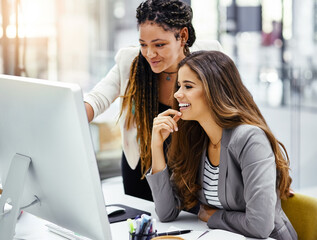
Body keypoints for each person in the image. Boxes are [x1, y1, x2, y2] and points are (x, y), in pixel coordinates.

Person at [147, 51, 297, 239]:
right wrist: (156, 146)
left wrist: (215, 217)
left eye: (188, 86)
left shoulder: (250, 139)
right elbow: (166, 213)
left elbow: (260, 226)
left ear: (214, 90)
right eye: (179, 86)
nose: (177, 94)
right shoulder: (197, 139)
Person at [83, 0, 222, 201]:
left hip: (193, 169)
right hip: (142, 169)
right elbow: (97, 99)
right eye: (143, 44)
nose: (150, 54)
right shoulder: (130, 61)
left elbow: (240, 111)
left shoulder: (209, 57)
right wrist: (72, 117)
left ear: (182, 36)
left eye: (159, 45)